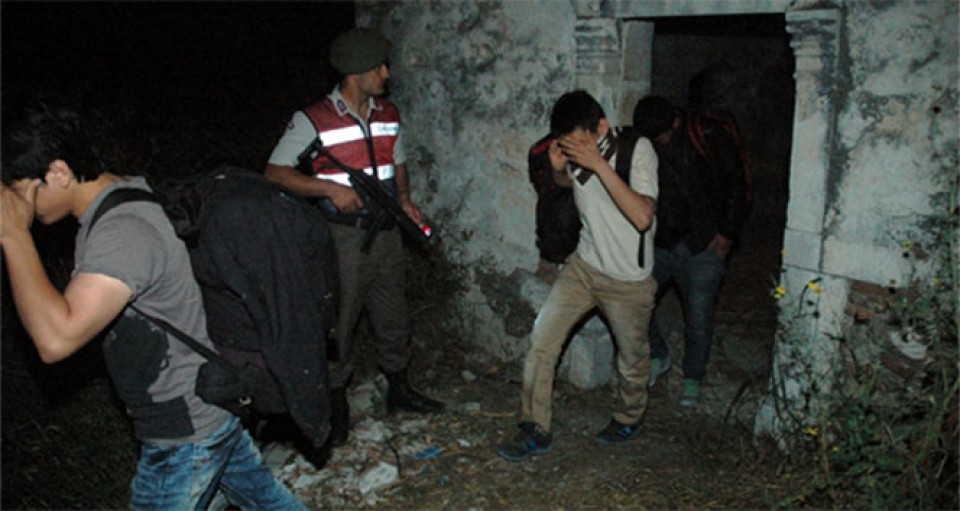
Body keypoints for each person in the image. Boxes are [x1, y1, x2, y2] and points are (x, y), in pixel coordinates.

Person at [0, 105, 306, 509]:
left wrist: (12, 236)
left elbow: (56, 339)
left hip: (184, 433)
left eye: (16, 191)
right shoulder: (127, 194)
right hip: (208, 408)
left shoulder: (123, 233)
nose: (18, 207)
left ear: (57, 172)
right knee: (268, 503)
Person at [265, 27, 443, 447]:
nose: (386, 73)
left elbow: (397, 161)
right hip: (341, 238)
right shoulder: (313, 120)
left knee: (392, 311)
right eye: (379, 65)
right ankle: (335, 404)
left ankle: (399, 387)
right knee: (339, 322)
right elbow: (275, 173)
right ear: (356, 71)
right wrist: (328, 189)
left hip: (386, 233)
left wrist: (405, 200)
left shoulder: (388, 113)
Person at [497, 90, 658, 462]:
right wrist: (558, 171)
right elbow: (578, 184)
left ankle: (629, 415)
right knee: (542, 340)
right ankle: (534, 427)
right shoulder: (578, 151)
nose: (574, 151)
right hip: (584, 267)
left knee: (632, 359)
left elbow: (643, 216)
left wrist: (598, 162)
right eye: (567, 145)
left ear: (601, 126)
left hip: (628, 279)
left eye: (579, 143)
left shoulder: (638, 150)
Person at [632, 94, 750, 407]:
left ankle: (693, 377)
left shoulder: (706, 135)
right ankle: (658, 355)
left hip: (702, 243)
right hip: (661, 242)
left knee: (698, 318)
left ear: (675, 120)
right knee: (636, 302)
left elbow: (737, 184)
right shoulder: (647, 145)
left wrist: (726, 234)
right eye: (655, 139)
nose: (662, 143)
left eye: (666, 135)